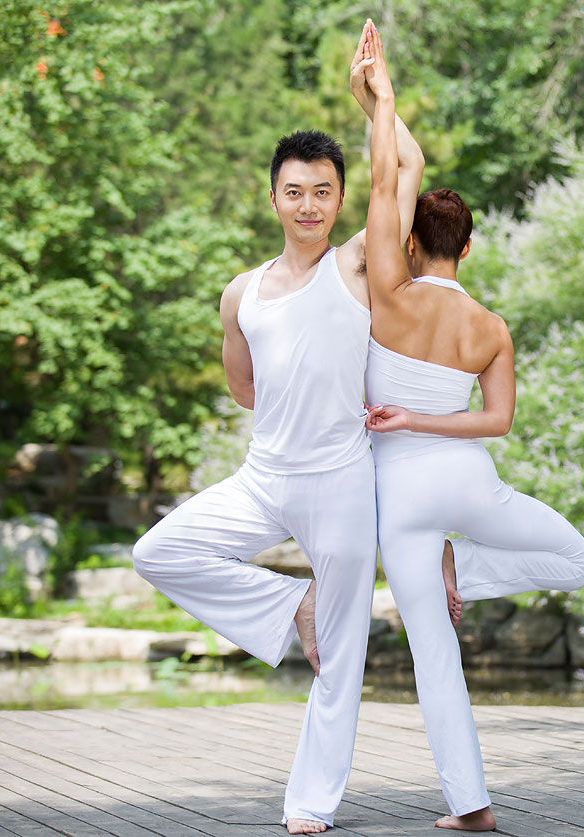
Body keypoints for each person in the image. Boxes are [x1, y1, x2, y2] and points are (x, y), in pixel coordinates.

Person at [132, 20, 425, 835]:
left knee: (342, 655)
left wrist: (377, 98)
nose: (308, 204)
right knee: (159, 550)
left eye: (322, 191)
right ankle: (285, 605)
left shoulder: (359, 262)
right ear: (273, 197)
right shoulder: (241, 293)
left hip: (340, 481)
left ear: (337, 197)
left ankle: (309, 805)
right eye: (293, 191)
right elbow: (244, 386)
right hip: (266, 476)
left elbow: (407, 167)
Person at [354, 22, 584, 832]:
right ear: (469, 245)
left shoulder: (387, 292)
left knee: (435, 657)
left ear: (414, 240)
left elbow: (386, 174)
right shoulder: (490, 326)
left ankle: (472, 808)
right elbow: (496, 419)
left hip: (399, 498)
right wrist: (435, 416)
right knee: (575, 557)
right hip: (467, 485)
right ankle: (471, 566)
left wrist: (379, 100)